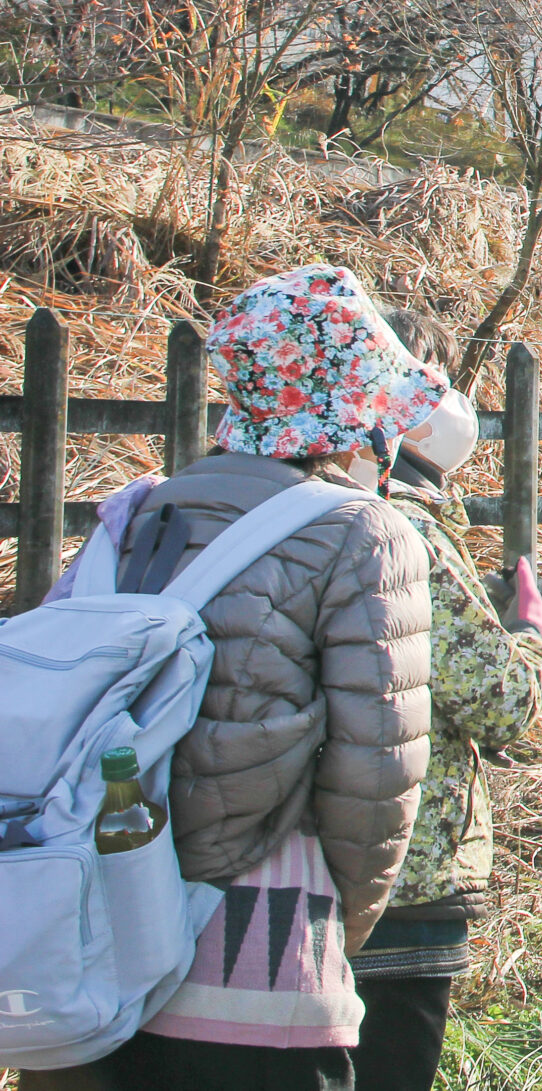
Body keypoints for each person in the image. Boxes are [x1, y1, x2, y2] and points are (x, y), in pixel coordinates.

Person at [24, 265, 435, 1091]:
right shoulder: (365, 532)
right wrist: (334, 929)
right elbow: (376, 774)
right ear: (352, 399)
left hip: (80, 956)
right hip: (250, 969)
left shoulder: (132, 512)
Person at [347, 308, 542, 1091]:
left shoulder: (279, 507)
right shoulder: (402, 530)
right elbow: (500, 700)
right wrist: (528, 630)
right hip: (402, 868)